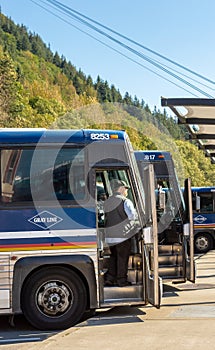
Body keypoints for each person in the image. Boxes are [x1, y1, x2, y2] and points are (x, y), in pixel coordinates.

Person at [103, 179, 138, 287]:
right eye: (126, 188)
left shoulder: (107, 202)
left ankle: (110, 278)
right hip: (122, 235)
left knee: (113, 257)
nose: (127, 191)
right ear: (121, 188)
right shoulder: (125, 201)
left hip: (110, 236)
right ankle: (121, 281)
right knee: (122, 258)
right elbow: (133, 217)